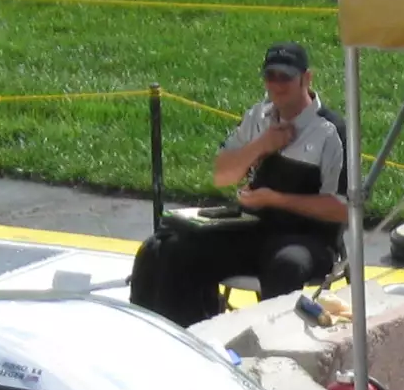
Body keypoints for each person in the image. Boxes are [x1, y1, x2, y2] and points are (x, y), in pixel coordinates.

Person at [126, 43, 347, 325]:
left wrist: (275, 199)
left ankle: (272, 343)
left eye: (286, 77)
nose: (277, 85)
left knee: (286, 266)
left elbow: (342, 208)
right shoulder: (258, 117)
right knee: (169, 249)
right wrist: (261, 145)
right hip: (254, 228)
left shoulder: (330, 131)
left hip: (307, 237)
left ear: (306, 78)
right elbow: (222, 175)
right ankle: (184, 332)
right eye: (270, 77)